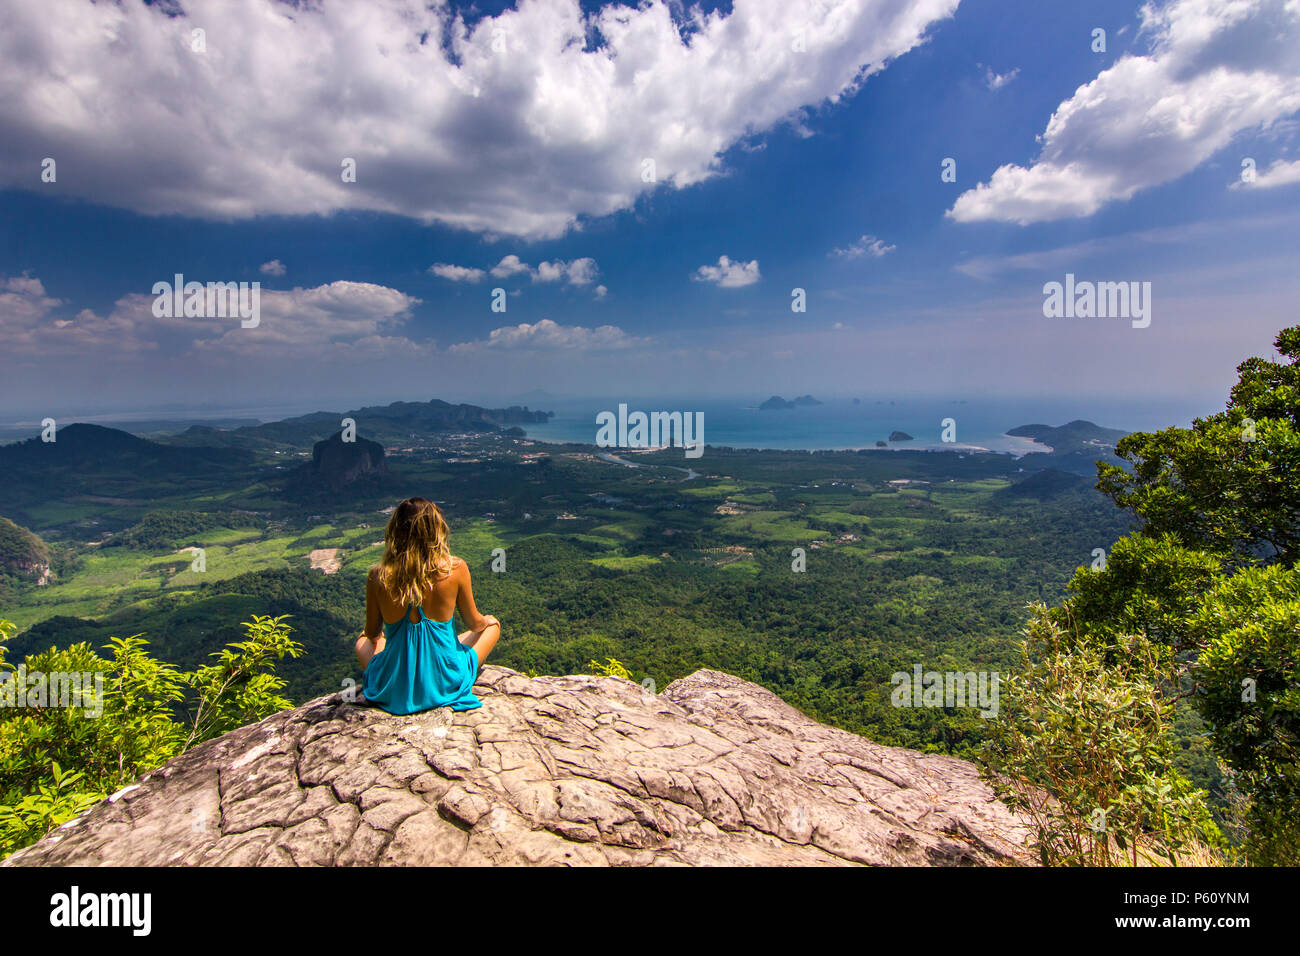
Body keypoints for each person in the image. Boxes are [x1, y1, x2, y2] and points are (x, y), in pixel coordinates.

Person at [354, 497, 501, 714]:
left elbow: (372, 633)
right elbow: (475, 624)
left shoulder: (378, 575)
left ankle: (398, 676)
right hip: (444, 681)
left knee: (362, 641)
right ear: (436, 530)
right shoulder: (455, 568)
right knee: (492, 626)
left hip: (395, 688)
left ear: (395, 530)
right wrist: (487, 620)